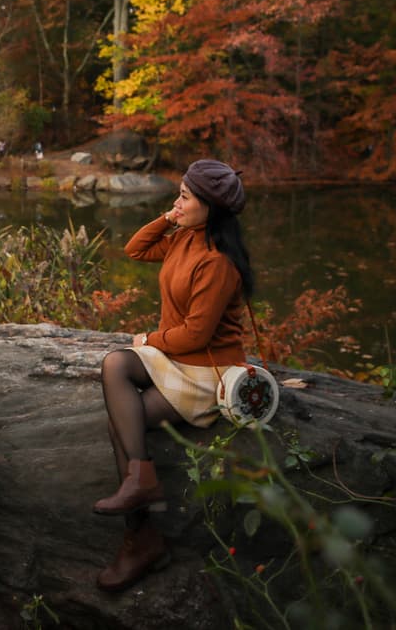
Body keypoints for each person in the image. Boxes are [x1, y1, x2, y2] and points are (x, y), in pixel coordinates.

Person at [93, 158, 255, 591]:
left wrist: (149, 338)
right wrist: (169, 216)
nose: (176, 202)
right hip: (179, 357)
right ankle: (142, 483)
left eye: (184, 196)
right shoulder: (184, 236)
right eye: (178, 194)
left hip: (205, 370)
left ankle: (142, 536)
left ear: (210, 208)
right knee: (115, 364)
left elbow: (196, 335)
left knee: (121, 419)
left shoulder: (217, 262)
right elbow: (136, 250)